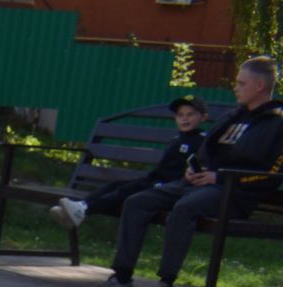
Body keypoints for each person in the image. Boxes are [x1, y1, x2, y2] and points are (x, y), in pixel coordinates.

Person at [79, 55, 283, 287]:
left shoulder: (277, 123)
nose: (236, 87)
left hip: (233, 192)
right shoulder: (233, 116)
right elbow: (205, 151)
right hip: (199, 184)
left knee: (185, 208)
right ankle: (120, 281)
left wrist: (220, 177)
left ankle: (165, 286)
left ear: (260, 86)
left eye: (241, 83)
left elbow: (271, 173)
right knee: (138, 201)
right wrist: (193, 168)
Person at [50, 92, 211, 230]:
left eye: (190, 114)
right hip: (155, 180)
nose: (184, 119)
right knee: (116, 185)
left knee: (126, 191)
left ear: (203, 117)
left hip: (169, 187)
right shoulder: (177, 138)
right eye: (180, 115)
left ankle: (83, 209)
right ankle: (81, 206)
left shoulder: (201, 141)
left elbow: (196, 168)